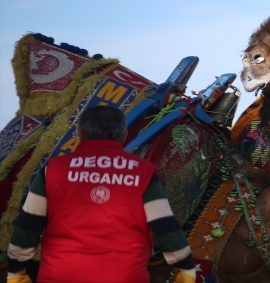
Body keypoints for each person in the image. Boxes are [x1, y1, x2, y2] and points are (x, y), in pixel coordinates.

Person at [6, 106, 196, 283]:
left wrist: (16, 272)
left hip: (60, 274)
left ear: (80, 134)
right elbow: (165, 225)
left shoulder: (54, 169)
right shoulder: (143, 171)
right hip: (125, 276)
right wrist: (185, 267)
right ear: (124, 135)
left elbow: (28, 224)